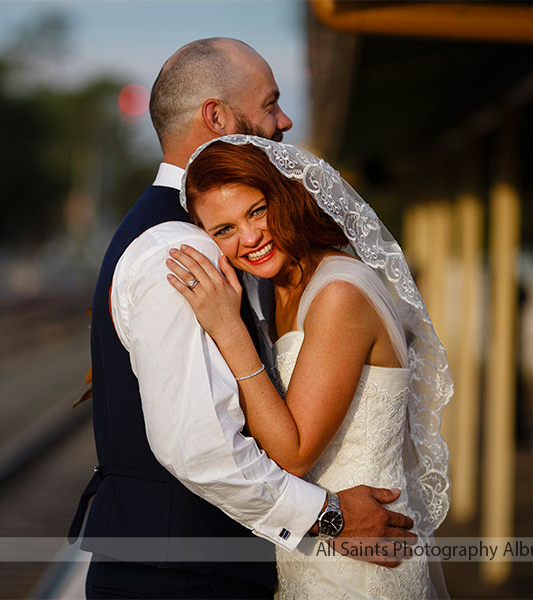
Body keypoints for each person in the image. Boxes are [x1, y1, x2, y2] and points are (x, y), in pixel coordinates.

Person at [68, 38, 418, 600]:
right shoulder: (184, 250)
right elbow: (197, 448)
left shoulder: (189, 234)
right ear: (217, 116)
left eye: (253, 215)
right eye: (269, 102)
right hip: (184, 579)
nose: (283, 120)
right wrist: (328, 516)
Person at [165, 134, 452, 598]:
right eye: (224, 230)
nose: (250, 237)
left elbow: (295, 454)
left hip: (363, 561)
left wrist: (228, 331)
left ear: (285, 195)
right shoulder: (271, 288)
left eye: (257, 211)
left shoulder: (339, 295)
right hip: (315, 547)